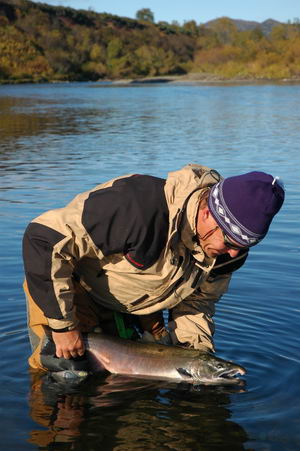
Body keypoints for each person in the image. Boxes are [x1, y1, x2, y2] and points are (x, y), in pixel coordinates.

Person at [22, 164, 284, 376]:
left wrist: (195, 355)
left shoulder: (227, 252)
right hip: (68, 290)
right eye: (229, 242)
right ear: (207, 213)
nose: (234, 254)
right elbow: (43, 240)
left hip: (139, 303)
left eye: (246, 246)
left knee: (134, 400)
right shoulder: (136, 206)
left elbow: (198, 302)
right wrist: (63, 327)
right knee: (65, 376)